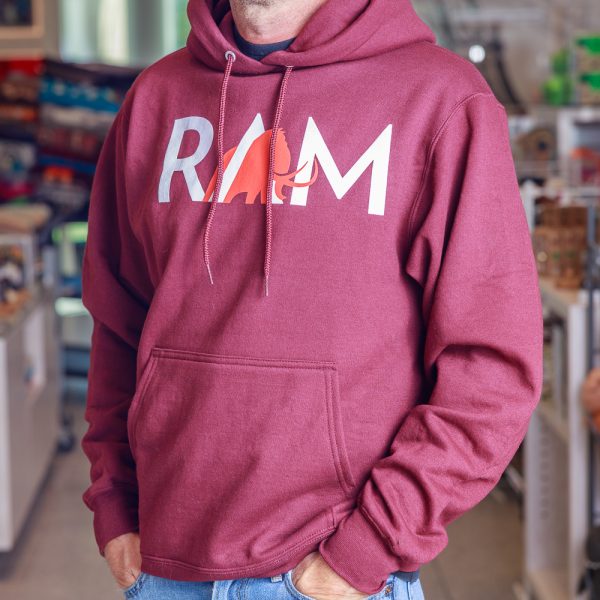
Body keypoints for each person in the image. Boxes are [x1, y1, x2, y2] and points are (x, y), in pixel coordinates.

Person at [80, 0, 544, 598]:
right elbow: (117, 322)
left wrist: (368, 547)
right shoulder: (155, 98)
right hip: (164, 565)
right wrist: (114, 504)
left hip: (329, 573)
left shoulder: (442, 99)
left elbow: (493, 370)